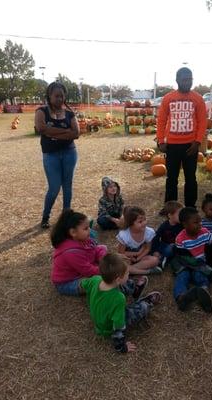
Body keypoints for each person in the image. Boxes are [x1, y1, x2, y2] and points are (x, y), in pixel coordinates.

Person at [80, 253, 162, 353]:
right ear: (118, 278)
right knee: (139, 308)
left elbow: (82, 284)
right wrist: (121, 347)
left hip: (100, 317)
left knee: (125, 284)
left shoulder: (95, 280)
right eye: (128, 273)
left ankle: (135, 290)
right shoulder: (118, 298)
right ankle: (146, 302)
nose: (129, 274)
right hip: (107, 328)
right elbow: (118, 325)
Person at [156, 67, 207, 209]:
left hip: (190, 145)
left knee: (191, 178)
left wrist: (197, 142)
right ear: (177, 80)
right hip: (172, 145)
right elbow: (161, 120)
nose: (188, 82)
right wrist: (160, 140)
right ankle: (170, 207)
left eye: (190, 79)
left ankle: (190, 206)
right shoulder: (168, 98)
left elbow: (202, 121)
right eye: (185, 79)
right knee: (171, 178)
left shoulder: (198, 98)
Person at [35, 82, 79, 229]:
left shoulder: (69, 113)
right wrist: (66, 132)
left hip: (69, 153)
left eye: (62, 96)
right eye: (56, 96)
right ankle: (45, 216)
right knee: (54, 187)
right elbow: (41, 128)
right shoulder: (41, 111)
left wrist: (51, 130)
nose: (60, 99)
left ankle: (66, 217)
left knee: (67, 186)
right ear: (49, 96)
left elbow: (76, 133)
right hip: (51, 155)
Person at [50, 209, 107, 296]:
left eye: (89, 227)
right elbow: (88, 271)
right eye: (86, 228)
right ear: (73, 232)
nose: (90, 230)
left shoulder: (82, 239)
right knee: (98, 281)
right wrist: (108, 271)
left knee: (102, 248)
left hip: (81, 271)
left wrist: (104, 259)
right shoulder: (71, 252)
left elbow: (95, 249)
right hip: (68, 283)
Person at [172, 207, 212, 313]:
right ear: (185, 224)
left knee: (201, 276)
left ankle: (203, 292)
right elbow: (182, 258)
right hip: (186, 265)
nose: (200, 224)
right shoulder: (180, 239)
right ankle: (182, 298)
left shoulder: (205, 233)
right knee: (182, 277)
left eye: (200, 221)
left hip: (200, 265)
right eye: (196, 222)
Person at [117, 207, 161, 275]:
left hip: (141, 257)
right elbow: (121, 253)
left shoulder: (149, 232)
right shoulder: (124, 235)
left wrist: (138, 258)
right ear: (130, 224)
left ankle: (129, 270)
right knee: (121, 262)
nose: (144, 223)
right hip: (128, 258)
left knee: (155, 260)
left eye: (145, 219)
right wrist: (137, 253)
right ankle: (147, 272)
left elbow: (147, 248)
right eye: (140, 221)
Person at [152, 201, 184, 265]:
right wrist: (155, 251)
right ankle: (162, 259)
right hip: (164, 245)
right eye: (179, 214)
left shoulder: (182, 225)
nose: (182, 216)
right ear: (170, 215)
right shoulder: (164, 226)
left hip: (176, 247)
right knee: (162, 248)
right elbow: (156, 238)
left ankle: (163, 260)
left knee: (172, 247)